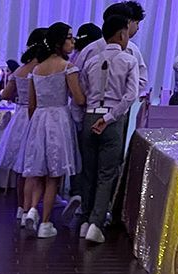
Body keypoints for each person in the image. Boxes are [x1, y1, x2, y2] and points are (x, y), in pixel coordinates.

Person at [70, 12, 138, 245]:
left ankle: (86, 220)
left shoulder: (90, 60)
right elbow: (130, 96)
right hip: (112, 120)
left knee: (89, 172)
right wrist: (109, 116)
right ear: (121, 34)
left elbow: (84, 90)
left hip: (90, 117)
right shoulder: (129, 60)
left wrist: (92, 115)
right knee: (106, 174)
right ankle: (96, 224)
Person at [21, 24, 85, 239]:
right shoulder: (68, 67)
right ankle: (46, 222)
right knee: (53, 175)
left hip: (39, 119)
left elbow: (31, 104)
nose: (73, 41)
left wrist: (36, 123)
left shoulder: (36, 70)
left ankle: (31, 210)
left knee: (38, 172)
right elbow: (78, 98)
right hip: (58, 119)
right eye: (69, 37)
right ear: (59, 42)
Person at [0, 28, 46, 219]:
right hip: (36, 115)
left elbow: (5, 94)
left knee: (20, 168)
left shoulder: (20, 70)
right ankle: (29, 209)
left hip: (20, 116)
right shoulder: (42, 69)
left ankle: (19, 209)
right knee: (33, 166)